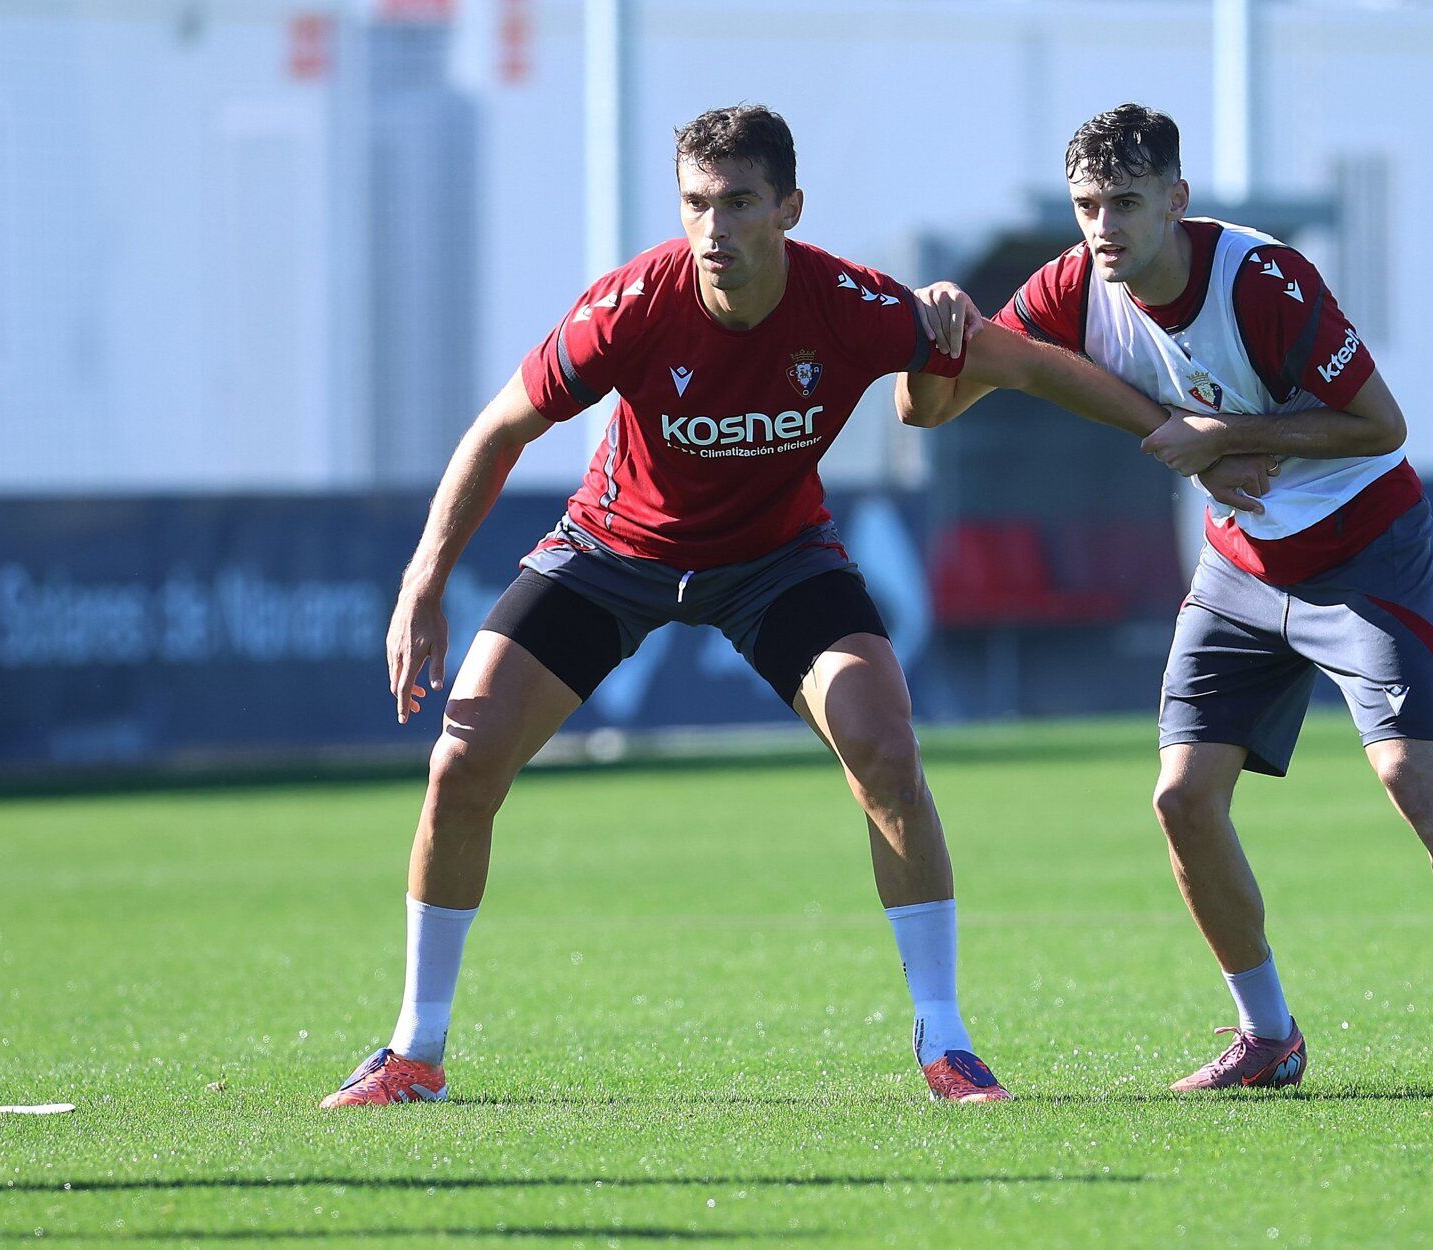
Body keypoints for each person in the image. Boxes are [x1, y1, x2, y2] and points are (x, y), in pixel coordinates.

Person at [315, 104, 1262, 1109]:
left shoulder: (847, 303)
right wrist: (424, 579)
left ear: (788, 209)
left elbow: (1017, 360)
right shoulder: (630, 305)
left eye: (738, 203)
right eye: (695, 205)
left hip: (776, 558)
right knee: (461, 759)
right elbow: (500, 428)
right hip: (613, 549)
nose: (713, 230)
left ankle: (947, 1044)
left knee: (887, 749)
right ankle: (414, 1052)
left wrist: (1178, 430)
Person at [896, 104, 1433, 1098]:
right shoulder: (1076, 286)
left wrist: (1219, 438)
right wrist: (933, 337)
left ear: (1176, 199)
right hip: (1243, 571)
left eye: (1125, 203)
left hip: (1363, 553)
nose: (1103, 228)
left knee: (1412, 776)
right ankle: (1269, 1036)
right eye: (1087, 206)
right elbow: (939, 404)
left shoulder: (1262, 281)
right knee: (1180, 797)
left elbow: (1381, 425)